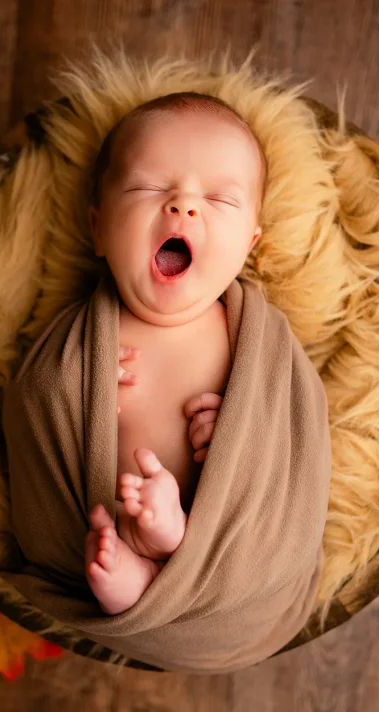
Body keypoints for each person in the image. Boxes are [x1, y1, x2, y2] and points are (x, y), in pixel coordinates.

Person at [84, 92, 266, 614]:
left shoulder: (251, 339)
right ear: (98, 228)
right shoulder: (82, 339)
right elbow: (34, 405)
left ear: (249, 245)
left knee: (168, 528)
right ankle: (141, 562)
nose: (183, 206)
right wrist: (79, 387)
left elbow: (289, 426)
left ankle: (172, 548)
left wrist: (238, 431)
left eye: (220, 199)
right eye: (148, 188)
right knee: (106, 536)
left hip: (221, 538)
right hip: (112, 514)